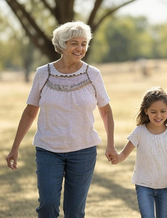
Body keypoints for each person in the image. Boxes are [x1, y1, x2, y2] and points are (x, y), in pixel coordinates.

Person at [6, 21, 117, 218]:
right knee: (48, 205)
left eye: (84, 43)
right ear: (62, 45)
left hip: (83, 151)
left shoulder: (93, 74)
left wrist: (110, 145)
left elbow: (106, 111)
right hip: (48, 150)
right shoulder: (43, 74)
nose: (80, 48)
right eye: (74, 43)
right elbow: (30, 112)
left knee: (75, 212)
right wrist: (14, 148)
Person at [111, 87, 167, 218]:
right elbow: (124, 154)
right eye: (153, 112)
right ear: (146, 111)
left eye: (162, 111)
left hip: (165, 187)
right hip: (143, 185)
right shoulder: (139, 131)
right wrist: (116, 158)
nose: (158, 115)